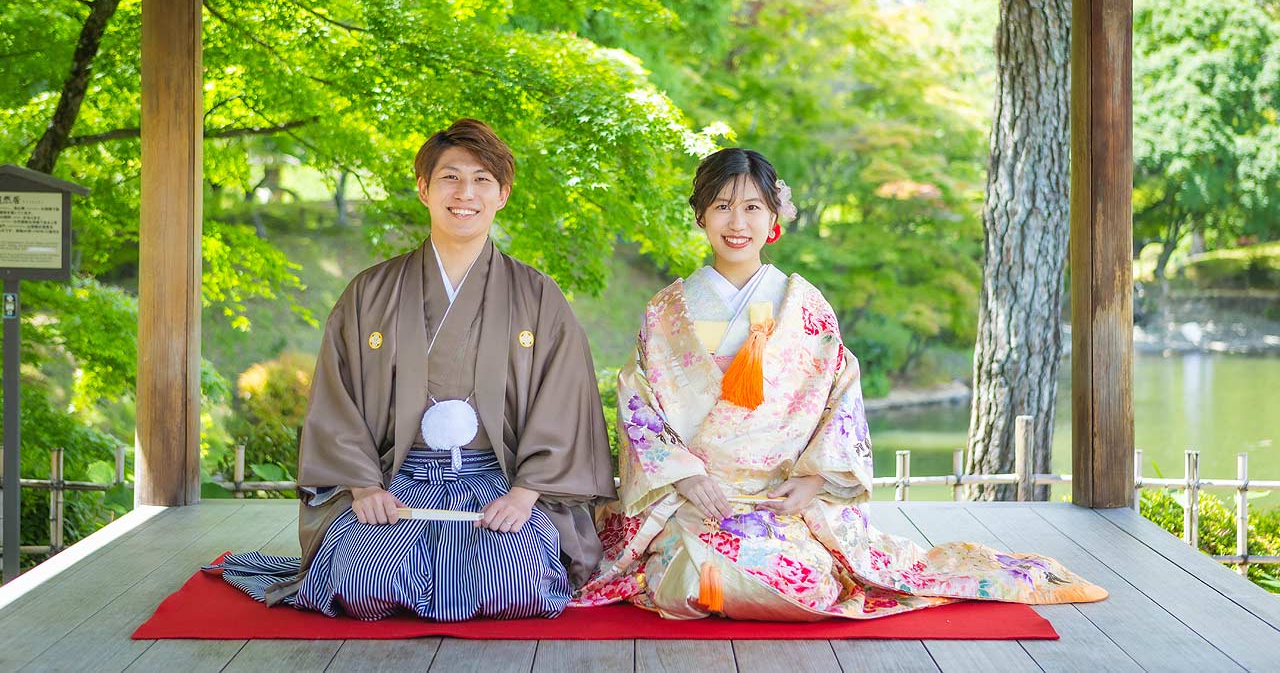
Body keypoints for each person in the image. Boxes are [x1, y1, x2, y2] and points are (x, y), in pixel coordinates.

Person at [575, 148, 1105, 619]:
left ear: (774, 217)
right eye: (722, 206)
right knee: (688, 584)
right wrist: (687, 479)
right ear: (701, 215)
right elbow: (639, 403)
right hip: (694, 500)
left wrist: (812, 483)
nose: (737, 222)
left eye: (753, 207)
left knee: (803, 585)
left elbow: (840, 399)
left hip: (776, 503)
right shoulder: (668, 311)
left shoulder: (804, 307)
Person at [210, 118, 616, 621]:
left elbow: (565, 400)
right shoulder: (370, 292)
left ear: (502, 195)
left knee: (515, 586)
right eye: (450, 178)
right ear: (424, 189)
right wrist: (363, 486)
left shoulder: (537, 295)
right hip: (394, 478)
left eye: (482, 180)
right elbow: (337, 399)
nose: (465, 194)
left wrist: (525, 494)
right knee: (364, 585)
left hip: (500, 480)